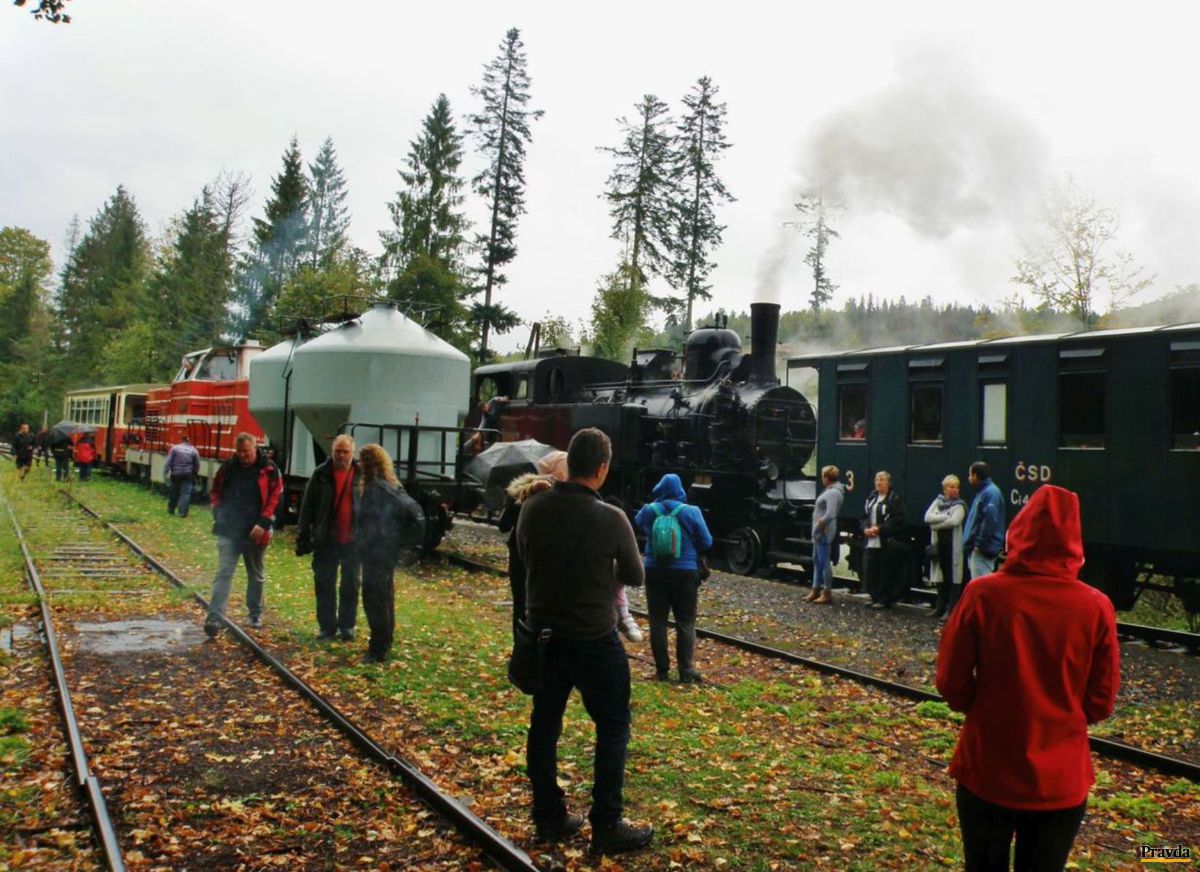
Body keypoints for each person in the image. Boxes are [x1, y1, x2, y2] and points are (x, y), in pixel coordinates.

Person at [936, 485, 1119, 872]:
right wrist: (1063, 717)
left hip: (988, 765)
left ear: (1018, 531)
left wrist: (982, 706)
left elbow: (951, 679)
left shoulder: (983, 595)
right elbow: (1101, 701)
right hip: (1061, 777)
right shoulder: (1096, 607)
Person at [516, 428, 653, 855]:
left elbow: (524, 557)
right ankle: (607, 824)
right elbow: (634, 575)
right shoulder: (611, 517)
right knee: (613, 726)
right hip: (593, 639)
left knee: (545, 725)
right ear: (601, 468)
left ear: (568, 462)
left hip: (542, 638)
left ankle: (548, 816)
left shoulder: (532, 508)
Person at [634, 473, 713, 681]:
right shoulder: (691, 512)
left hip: (654, 570)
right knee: (685, 622)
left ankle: (661, 671)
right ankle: (686, 671)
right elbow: (706, 542)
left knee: (657, 622)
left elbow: (639, 525)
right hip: (686, 572)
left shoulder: (649, 511)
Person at [203, 434, 282, 637]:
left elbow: (275, 498)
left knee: (255, 574)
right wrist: (218, 512)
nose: (243, 456)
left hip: (256, 531)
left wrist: (263, 523)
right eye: (239, 452)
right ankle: (214, 617)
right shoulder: (229, 468)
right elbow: (215, 491)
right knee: (223, 573)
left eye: (246, 452)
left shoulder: (270, 470)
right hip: (229, 529)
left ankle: (255, 613)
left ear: (255, 448)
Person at [355, 443, 424, 664]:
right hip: (388, 551)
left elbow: (370, 524)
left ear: (367, 464)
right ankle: (385, 642)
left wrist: (362, 546)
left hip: (376, 552)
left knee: (374, 600)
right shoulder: (393, 485)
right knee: (385, 597)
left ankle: (377, 649)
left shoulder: (375, 489)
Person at [297, 435, 362, 642]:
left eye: (345, 452)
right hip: (327, 538)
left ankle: (347, 625)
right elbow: (307, 507)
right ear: (332, 452)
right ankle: (327, 627)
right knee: (325, 582)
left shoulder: (362, 475)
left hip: (354, 539)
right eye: (337, 451)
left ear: (353, 453)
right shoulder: (321, 474)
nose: (341, 456)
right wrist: (304, 534)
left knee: (351, 583)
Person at [862, 471, 908, 609]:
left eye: (882, 480)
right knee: (871, 569)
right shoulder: (871, 498)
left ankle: (885, 599)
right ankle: (874, 596)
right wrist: (865, 528)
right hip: (871, 539)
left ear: (888, 483)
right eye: (876, 479)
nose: (878, 482)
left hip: (886, 540)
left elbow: (898, 519)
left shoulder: (894, 499)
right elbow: (863, 516)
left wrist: (880, 529)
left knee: (885, 569)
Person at [925, 474, 967, 621]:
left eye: (956, 487)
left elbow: (954, 522)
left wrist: (935, 524)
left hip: (952, 545)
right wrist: (944, 518)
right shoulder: (938, 501)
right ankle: (940, 607)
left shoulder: (960, 505)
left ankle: (951, 609)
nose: (954, 490)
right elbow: (927, 517)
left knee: (952, 576)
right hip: (940, 545)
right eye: (951, 487)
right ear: (945, 489)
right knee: (940, 577)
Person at [805, 465, 845, 605]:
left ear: (826, 478)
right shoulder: (829, 491)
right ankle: (815, 589)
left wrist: (820, 525)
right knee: (816, 560)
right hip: (819, 531)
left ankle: (827, 592)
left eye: (823, 476)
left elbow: (830, 513)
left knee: (824, 561)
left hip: (823, 531)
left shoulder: (833, 493)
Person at [962, 461, 1005, 580]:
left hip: (982, 549)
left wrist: (979, 544)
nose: (969, 478)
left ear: (975, 476)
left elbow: (990, 519)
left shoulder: (990, 493)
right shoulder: (985, 492)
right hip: (979, 549)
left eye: (970, 475)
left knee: (980, 585)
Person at [164, 434, 201, 517]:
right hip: (188, 475)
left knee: (174, 491)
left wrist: (165, 473)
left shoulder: (175, 448)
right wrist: (195, 473)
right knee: (185, 494)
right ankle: (183, 513)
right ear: (189, 441)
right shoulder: (194, 450)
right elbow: (197, 464)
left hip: (176, 474)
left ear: (181, 441)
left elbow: (168, 462)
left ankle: (171, 509)